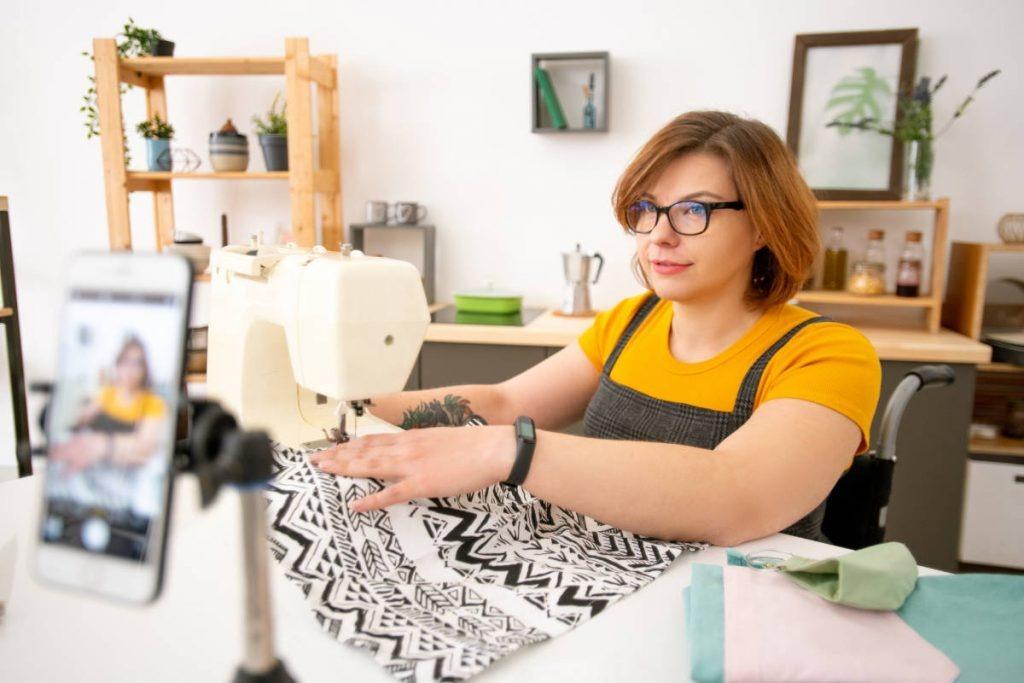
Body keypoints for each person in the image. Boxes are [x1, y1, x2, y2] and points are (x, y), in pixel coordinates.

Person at [311, 110, 881, 546]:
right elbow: (506, 401)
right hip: (611, 573)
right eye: (647, 208)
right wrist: (346, 407)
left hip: (742, 607)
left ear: (763, 225)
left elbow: (739, 495)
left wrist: (513, 452)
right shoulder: (631, 322)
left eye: (694, 211)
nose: (659, 234)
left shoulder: (827, 354)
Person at [50, 335, 167, 475]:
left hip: (123, 469)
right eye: (126, 362)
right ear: (118, 365)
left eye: (137, 363)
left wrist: (103, 444)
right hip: (87, 464)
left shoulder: (152, 402)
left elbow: (145, 445)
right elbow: (79, 421)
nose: (130, 370)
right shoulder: (107, 393)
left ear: (145, 369)